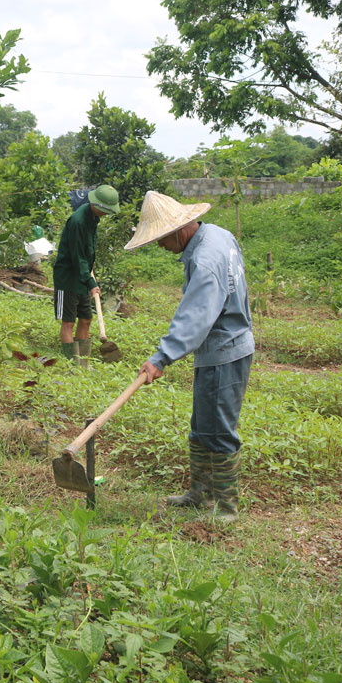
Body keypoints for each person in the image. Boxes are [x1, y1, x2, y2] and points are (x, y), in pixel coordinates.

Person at [124, 190, 254, 522]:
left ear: (178, 230)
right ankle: (199, 494)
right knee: (202, 425)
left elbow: (196, 314)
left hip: (225, 349)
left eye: (160, 239)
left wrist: (161, 357)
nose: (159, 246)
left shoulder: (205, 258)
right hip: (218, 347)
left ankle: (226, 508)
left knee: (219, 429)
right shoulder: (218, 235)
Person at [52, 184, 120, 367]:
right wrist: (91, 282)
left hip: (82, 275)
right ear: (97, 204)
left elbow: (85, 252)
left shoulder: (92, 217)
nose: (107, 214)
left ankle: (83, 361)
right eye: (106, 210)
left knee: (86, 318)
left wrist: (88, 275)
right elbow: (77, 257)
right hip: (68, 277)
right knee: (68, 322)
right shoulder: (78, 222)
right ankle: (71, 362)